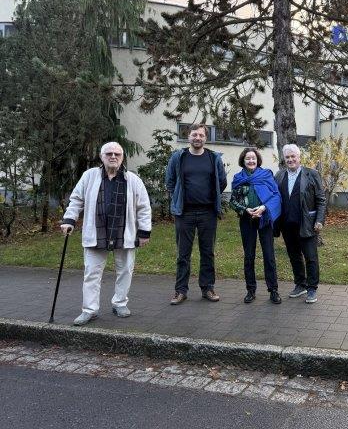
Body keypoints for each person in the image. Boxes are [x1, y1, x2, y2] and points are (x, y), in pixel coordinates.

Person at [60, 142, 152, 326]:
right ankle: (89, 310)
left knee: (125, 270)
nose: (113, 156)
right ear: (101, 157)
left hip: (123, 232)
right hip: (97, 232)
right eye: (109, 153)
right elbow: (76, 199)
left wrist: (144, 231)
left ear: (122, 157)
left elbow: (144, 207)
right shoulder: (89, 176)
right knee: (92, 273)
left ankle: (120, 303)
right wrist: (69, 219)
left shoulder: (133, 180)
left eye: (117, 154)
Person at [165, 123, 227, 305]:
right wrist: (177, 197)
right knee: (183, 254)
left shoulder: (213, 158)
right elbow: (170, 181)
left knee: (208, 253)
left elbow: (222, 182)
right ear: (188, 136)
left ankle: (207, 288)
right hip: (184, 213)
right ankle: (180, 291)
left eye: (201, 135)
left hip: (208, 213)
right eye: (194, 135)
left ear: (205, 138)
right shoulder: (178, 157)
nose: (197, 138)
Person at [274, 144, 326, 304]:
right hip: (286, 224)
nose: (290, 159)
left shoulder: (312, 174)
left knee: (311, 257)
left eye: (293, 156)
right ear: (284, 159)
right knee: (294, 256)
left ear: (299, 157)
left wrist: (319, 220)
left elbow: (321, 200)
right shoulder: (279, 175)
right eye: (287, 157)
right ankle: (300, 284)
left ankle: (312, 288)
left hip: (307, 224)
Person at [230, 147, 282, 304]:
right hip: (247, 220)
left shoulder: (266, 175)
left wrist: (264, 208)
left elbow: (276, 196)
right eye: (248, 158)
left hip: (264, 219)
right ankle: (250, 290)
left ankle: (273, 290)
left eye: (253, 158)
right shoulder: (238, 178)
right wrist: (245, 210)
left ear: (258, 160)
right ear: (243, 160)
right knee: (249, 256)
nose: (251, 161)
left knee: (269, 255)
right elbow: (233, 201)